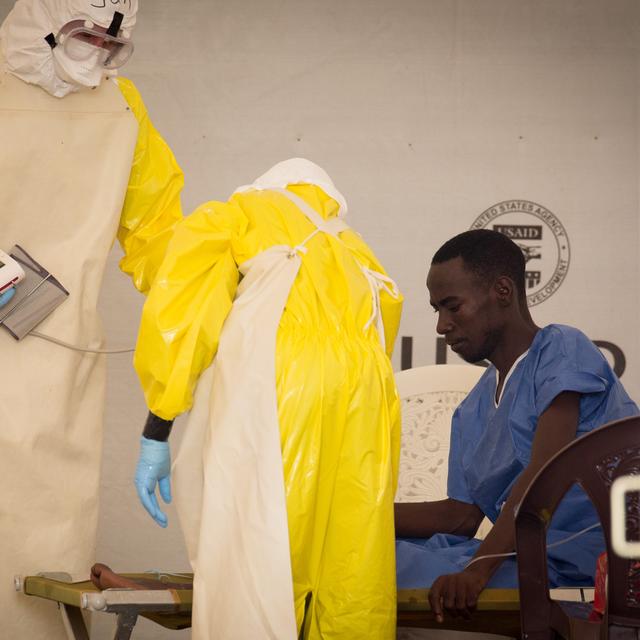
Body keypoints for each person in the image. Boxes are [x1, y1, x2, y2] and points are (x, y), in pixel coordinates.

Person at [132, 158, 403, 639]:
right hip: (365, 400)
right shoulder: (355, 249)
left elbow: (185, 315)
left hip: (280, 389)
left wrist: (158, 426)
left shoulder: (239, 214)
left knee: (256, 563)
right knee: (352, 570)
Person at [0, 1, 183, 638]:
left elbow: (158, 229)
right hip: (27, 340)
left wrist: (204, 294)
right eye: (85, 35)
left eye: (114, 42)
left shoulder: (121, 110)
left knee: (42, 560)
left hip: (60, 366)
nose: (97, 55)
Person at [394, 229, 639, 623]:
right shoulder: (472, 408)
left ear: (502, 291)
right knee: (368, 553)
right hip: (522, 558)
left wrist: (477, 570)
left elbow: (544, 472)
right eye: (436, 309)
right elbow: (460, 516)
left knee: (380, 572)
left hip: (591, 567)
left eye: (453, 307)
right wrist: (360, 516)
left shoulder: (561, 348)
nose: (441, 325)